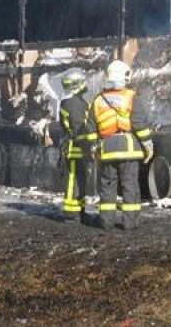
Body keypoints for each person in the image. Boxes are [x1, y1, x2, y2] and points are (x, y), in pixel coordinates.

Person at [91, 60, 154, 231]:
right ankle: (130, 223)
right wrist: (148, 144)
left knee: (107, 186)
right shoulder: (130, 97)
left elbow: (91, 127)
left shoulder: (98, 100)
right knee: (130, 186)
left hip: (107, 149)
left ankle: (106, 222)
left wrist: (93, 149)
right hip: (128, 148)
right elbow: (139, 123)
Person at [58, 68, 97, 225]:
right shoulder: (75, 104)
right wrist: (90, 146)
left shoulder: (70, 102)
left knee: (80, 179)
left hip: (75, 147)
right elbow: (80, 128)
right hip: (76, 148)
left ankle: (79, 211)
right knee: (73, 179)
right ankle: (71, 214)